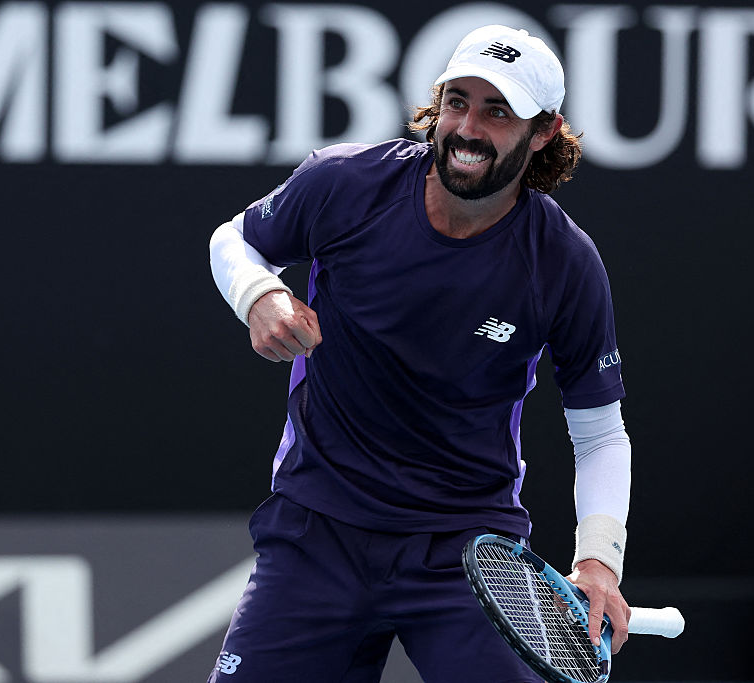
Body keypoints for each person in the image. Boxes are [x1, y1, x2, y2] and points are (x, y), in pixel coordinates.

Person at [207, 24, 632, 682]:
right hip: (318, 527)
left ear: (543, 132)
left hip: (465, 549)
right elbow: (234, 239)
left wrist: (599, 559)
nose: (467, 128)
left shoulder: (565, 263)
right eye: (457, 101)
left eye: (498, 112)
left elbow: (600, 430)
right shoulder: (344, 184)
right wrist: (260, 294)